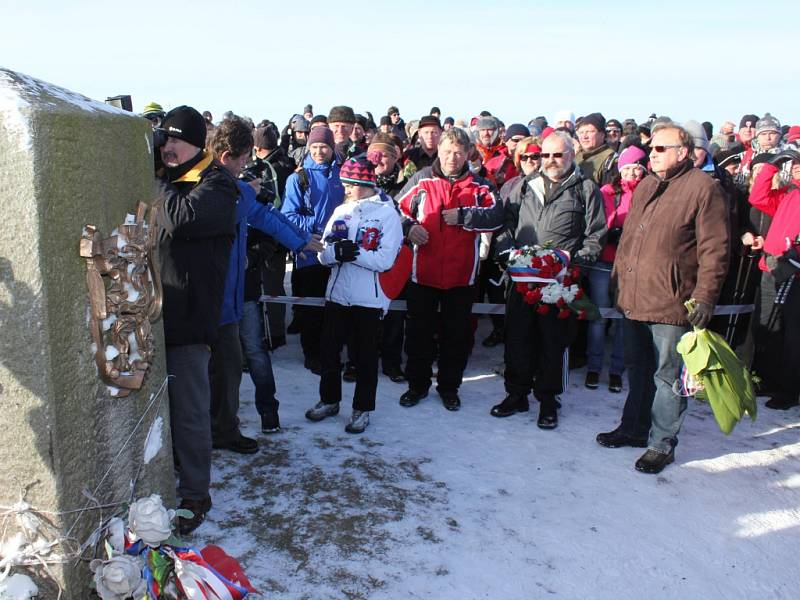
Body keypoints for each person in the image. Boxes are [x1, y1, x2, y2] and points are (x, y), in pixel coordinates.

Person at [598, 121, 730, 474]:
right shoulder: (646, 185)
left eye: (660, 149)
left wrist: (705, 296)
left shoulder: (704, 188)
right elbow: (628, 241)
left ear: (682, 153)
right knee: (637, 368)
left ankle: (661, 443)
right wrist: (617, 280)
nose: (651, 154)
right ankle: (634, 428)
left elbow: (715, 249)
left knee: (667, 375)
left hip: (672, 301)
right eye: (651, 148)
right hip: (635, 296)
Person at [209, 117, 322, 451]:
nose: (247, 165)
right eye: (244, 158)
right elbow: (246, 208)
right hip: (210, 296)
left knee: (249, 355)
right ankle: (212, 429)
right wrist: (246, 190)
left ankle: (256, 417)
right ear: (230, 155)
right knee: (213, 367)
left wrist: (301, 240)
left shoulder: (240, 190)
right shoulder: (217, 186)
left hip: (240, 291)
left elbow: (266, 217)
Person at [155, 105, 239, 535]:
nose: (168, 148)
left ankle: (194, 494)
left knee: (189, 412)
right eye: (163, 140)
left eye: (176, 140)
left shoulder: (218, 184)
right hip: (154, 312)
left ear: (197, 143)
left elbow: (181, 218)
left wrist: (153, 181)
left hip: (189, 317)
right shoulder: (174, 177)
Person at [492, 130, 606, 428]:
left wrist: (576, 263)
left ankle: (547, 400)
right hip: (521, 278)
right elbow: (506, 223)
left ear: (571, 155)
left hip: (559, 283)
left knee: (552, 343)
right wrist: (505, 253)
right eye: (546, 155)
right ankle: (516, 395)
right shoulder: (525, 186)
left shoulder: (585, 188)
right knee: (517, 339)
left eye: (558, 154)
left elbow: (595, 234)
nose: (551, 161)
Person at [396, 127, 504, 410]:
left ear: (468, 153)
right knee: (419, 336)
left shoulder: (481, 185)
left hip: (461, 277)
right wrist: (410, 228)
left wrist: (466, 216)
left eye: (458, 152)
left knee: (456, 338)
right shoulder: (422, 180)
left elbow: (497, 216)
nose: (452, 158)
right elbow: (396, 210)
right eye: (446, 151)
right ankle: (416, 387)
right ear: (439, 151)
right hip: (424, 275)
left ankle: (449, 388)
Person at [304, 156, 403, 433]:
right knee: (329, 351)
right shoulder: (341, 211)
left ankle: (362, 408)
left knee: (365, 356)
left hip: (368, 299)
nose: (345, 188)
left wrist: (355, 253)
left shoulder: (387, 214)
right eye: (344, 183)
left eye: (350, 184)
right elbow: (323, 253)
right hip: (337, 294)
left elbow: (385, 259)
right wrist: (334, 253)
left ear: (366, 183)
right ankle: (329, 399)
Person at [281, 125, 344, 374]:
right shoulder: (298, 178)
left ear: (332, 148)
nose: (319, 152)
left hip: (338, 252)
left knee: (335, 306)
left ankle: (332, 350)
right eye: (315, 147)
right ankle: (312, 352)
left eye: (324, 147)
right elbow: (288, 215)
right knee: (312, 306)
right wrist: (316, 227)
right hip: (310, 249)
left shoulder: (341, 174)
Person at [586, 145, 647, 393]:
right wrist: (611, 232)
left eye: (637, 168)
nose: (632, 174)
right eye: (627, 168)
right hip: (604, 261)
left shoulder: (649, 193)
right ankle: (594, 365)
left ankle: (616, 370)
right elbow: (598, 222)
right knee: (598, 317)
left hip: (632, 265)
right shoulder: (607, 192)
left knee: (624, 319)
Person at [748, 149, 800, 410]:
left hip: (795, 272)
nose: (799, 167)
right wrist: (772, 165)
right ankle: (768, 380)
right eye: (797, 163)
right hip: (772, 267)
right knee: (768, 327)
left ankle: (789, 390)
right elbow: (758, 197)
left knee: (793, 335)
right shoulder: (789, 194)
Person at [240, 124, 297, 349]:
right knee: (275, 286)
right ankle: (277, 332)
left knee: (261, 287)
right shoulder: (289, 165)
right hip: (280, 234)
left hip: (260, 235)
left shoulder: (258, 169)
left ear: (256, 147)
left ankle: (265, 334)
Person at [576, 112, 617, 186]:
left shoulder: (610, 161)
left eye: (590, 132)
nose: (584, 136)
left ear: (602, 135)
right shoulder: (576, 157)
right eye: (581, 132)